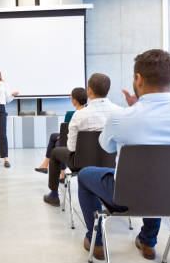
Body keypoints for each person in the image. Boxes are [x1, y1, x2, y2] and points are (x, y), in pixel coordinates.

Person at [78, 49, 170, 261]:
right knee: (162, 178)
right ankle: (148, 241)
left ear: (138, 79)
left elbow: (106, 147)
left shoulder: (120, 118)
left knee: (86, 175)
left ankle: (97, 241)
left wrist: (134, 109)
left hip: (124, 197)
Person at [43, 75, 122, 207]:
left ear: (89, 91)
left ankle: (54, 195)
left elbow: (72, 147)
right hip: (112, 162)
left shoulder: (79, 115)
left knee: (56, 152)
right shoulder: (120, 112)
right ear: (108, 90)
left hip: (82, 164)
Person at [35, 87, 87, 175]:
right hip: (86, 144)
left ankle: (60, 174)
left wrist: (63, 137)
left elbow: (71, 138)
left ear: (75, 100)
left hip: (75, 147)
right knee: (54, 136)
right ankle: (46, 166)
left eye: (71, 97)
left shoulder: (74, 115)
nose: (70, 98)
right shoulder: (90, 113)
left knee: (58, 144)